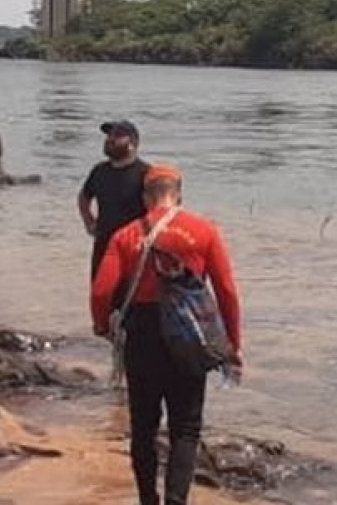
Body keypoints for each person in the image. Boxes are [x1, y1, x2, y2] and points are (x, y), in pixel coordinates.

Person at [91, 164, 243, 505]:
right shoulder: (205, 231)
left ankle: (148, 499)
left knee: (143, 426)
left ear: (146, 197)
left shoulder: (126, 235)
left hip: (142, 333)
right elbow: (227, 292)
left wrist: (102, 324)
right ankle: (176, 500)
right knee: (186, 429)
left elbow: (102, 291)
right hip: (189, 334)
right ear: (179, 194)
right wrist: (232, 343)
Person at [78, 120, 149, 280]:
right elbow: (84, 197)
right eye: (108, 135)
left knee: (133, 300)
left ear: (132, 142)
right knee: (100, 297)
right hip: (103, 246)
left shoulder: (146, 174)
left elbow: (157, 211)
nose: (110, 139)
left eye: (117, 135)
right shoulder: (99, 171)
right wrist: (88, 221)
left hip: (133, 249)